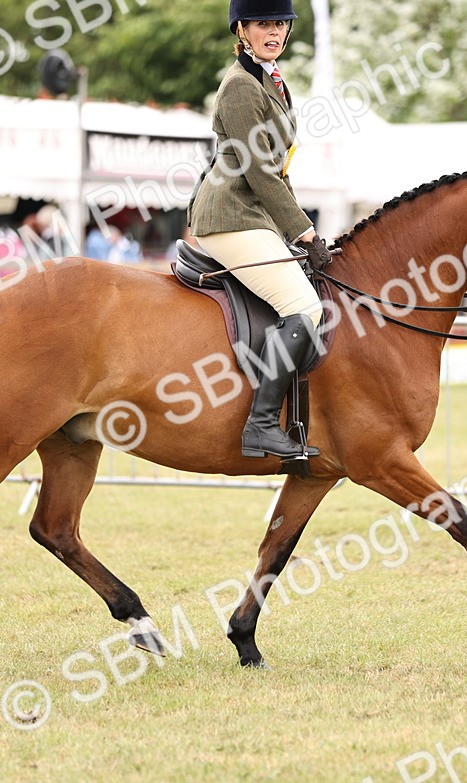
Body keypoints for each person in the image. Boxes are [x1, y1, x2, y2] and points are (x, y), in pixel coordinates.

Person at [186, 0, 331, 460]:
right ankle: (261, 425)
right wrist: (305, 231)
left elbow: (278, 169)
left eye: (280, 23)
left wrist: (295, 229)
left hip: (255, 216)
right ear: (242, 29)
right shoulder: (239, 87)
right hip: (230, 216)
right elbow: (260, 172)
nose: (274, 32)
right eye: (263, 24)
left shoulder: (270, 80)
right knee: (303, 305)